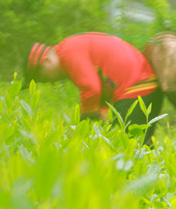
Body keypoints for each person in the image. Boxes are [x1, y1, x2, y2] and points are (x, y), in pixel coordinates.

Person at [25, 32, 164, 144]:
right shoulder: (69, 48)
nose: (49, 82)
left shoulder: (68, 53)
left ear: (47, 61)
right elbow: (101, 89)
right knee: (141, 146)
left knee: (125, 146)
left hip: (136, 87)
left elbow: (91, 89)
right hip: (145, 85)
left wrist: (83, 127)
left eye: (43, 78)